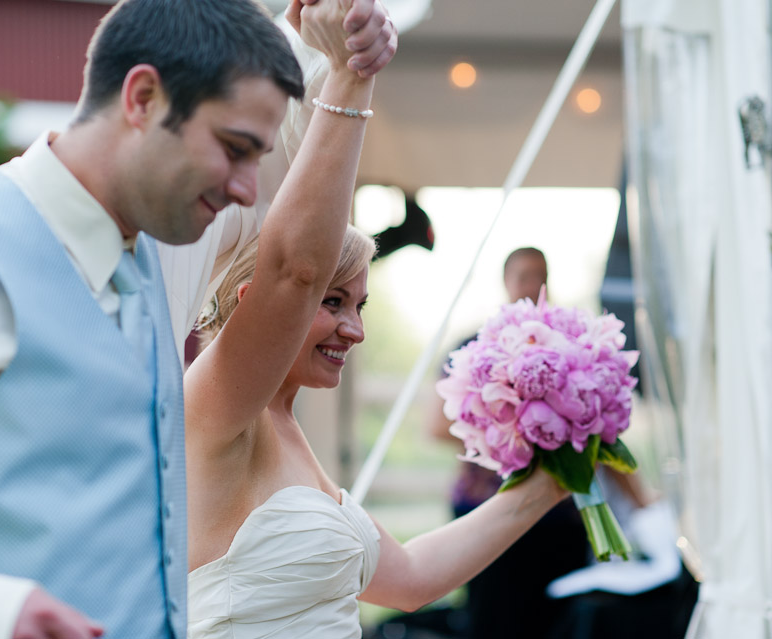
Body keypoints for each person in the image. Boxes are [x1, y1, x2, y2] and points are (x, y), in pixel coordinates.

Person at [0, 1, 397, 638]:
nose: (247, 189)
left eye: (252, 157)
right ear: (142, 98)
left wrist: (336, 47)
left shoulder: (161, 242)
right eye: (233, 150)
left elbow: (293, 192)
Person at [185, 146, 568, 639]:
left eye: (360, 306)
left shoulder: (286, 429)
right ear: (257, 305)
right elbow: (294, 273)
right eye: (333, 302)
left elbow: (410, 578)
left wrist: (551, 481)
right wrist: (351, 85)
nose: (356, 330)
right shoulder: (219, 411)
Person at [425, 246, 589, 639]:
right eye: (523, 276)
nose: (532, 285)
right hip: (484, 506)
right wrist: (513, 434)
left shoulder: (571, 349)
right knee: (493, 620)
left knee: (557, 624)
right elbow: (435, 425)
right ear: (505, 282)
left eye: (540, 276)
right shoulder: (473, 346)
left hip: (556, 515)